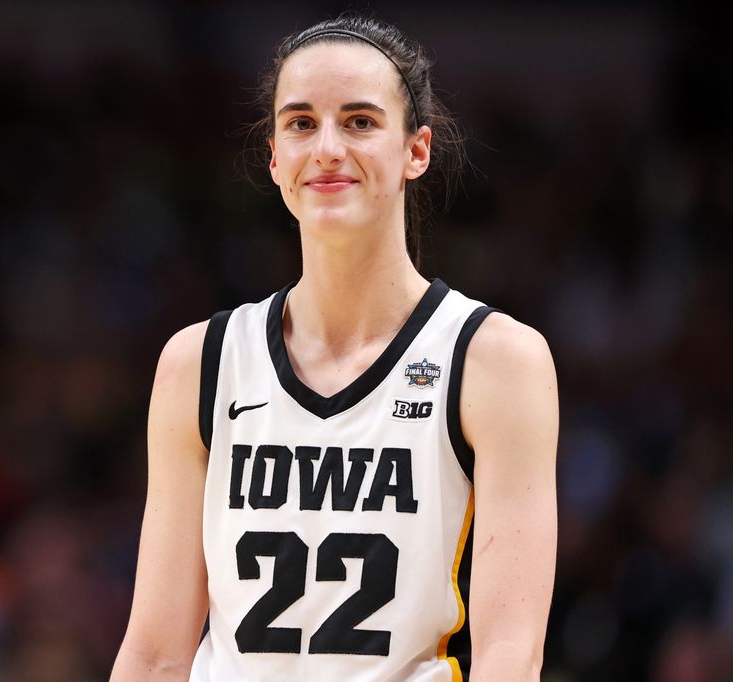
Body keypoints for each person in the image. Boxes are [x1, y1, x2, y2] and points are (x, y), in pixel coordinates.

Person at [111, 13, 557, 682]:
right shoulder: (198, 363)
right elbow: (154, 653)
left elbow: (509, 655)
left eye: (359, 121)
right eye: (300, 123)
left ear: (416, 150)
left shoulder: (495, 361)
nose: (325, 147)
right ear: (273, 157)